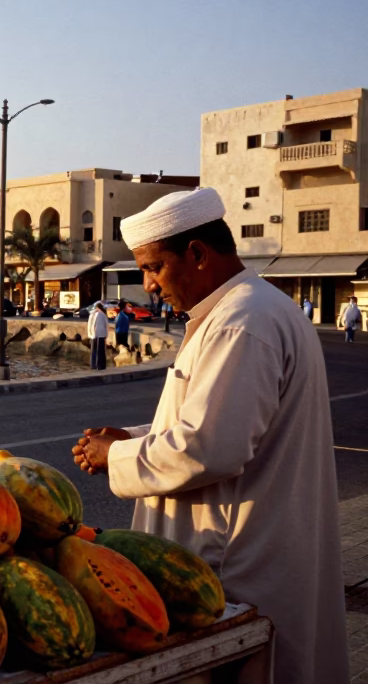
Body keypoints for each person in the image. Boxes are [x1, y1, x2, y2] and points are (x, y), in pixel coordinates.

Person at [71, 187, 347, 683]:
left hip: (234, 565)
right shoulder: (252, 309)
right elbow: (221, 420)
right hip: (255, 552)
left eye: (153, 268)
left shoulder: (241, 322)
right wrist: (131, 437)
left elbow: (209, 447)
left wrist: (117, 455)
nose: (149, 285)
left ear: (197, 253)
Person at [87, 301, 108, 370]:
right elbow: (106, 326)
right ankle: (100, 366)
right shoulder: (102, 315)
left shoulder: (92, 314)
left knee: (93, 351)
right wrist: (106, 335)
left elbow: (89, 325)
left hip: (93, 335)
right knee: (100, 351)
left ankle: (93, 365)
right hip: (101, 334)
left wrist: (89, 334)